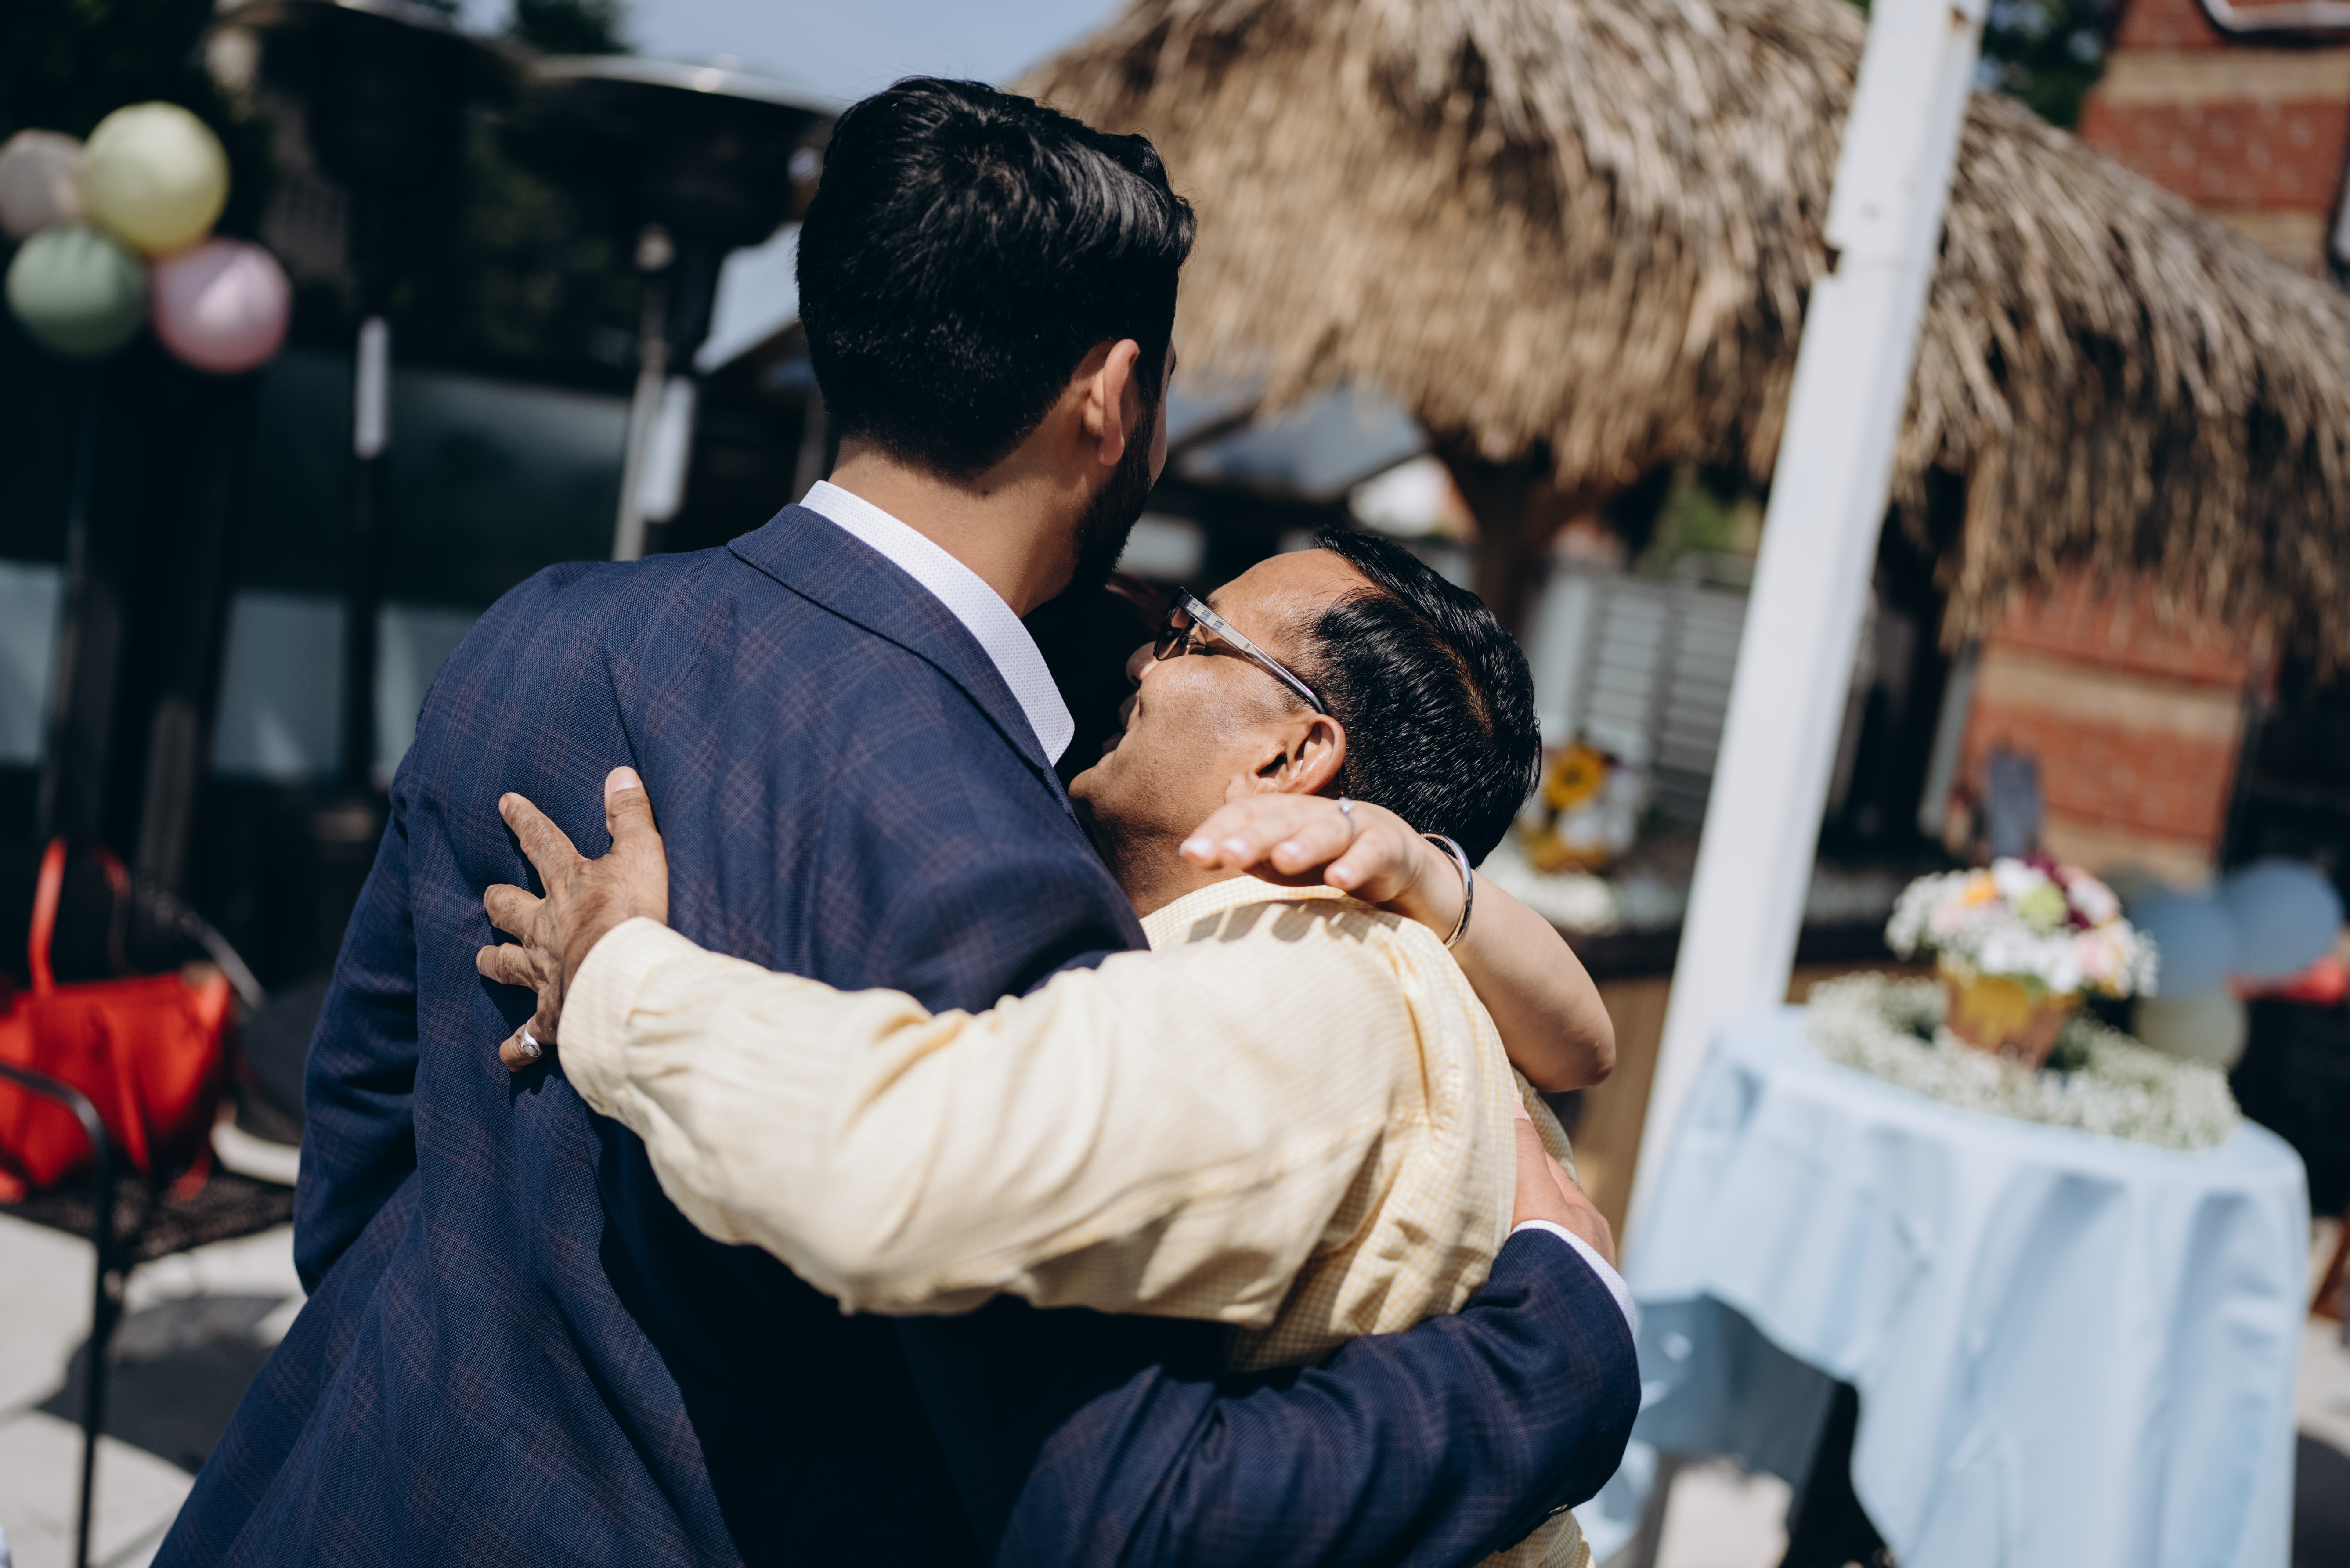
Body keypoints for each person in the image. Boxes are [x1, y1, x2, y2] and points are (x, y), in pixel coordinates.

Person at [157, 78, 1635, 1568]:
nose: (1148, 647)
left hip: (321, 1500)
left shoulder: (543, 626)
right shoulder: (1003, 867)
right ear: (1112, 396)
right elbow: (1100, 1496)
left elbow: (361, 1137)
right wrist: (1564, 1336)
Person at [475, 526, 1635, 1564]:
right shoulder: (1369, 961)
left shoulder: (1311, 970)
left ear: (1291, 757)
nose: (1142, 662)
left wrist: (618, 972)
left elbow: (896, 1165)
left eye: (1192, 634)